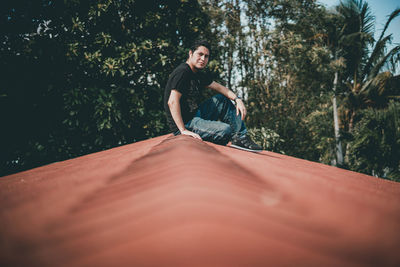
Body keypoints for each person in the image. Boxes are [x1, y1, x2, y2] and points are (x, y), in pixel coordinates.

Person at [164, 40, 262, 152]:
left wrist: (237, 99)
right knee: (226, 130)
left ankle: (241, 136)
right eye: (200, 54)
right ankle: (227, 135)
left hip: (196, 115)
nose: (203, 59)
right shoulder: (183, 71)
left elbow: (220, 88)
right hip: (186, 123)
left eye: (206, 56)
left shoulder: (197, 73)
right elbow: (172, 101)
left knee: (222, 100)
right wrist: (182, 130)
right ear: (190, 54)